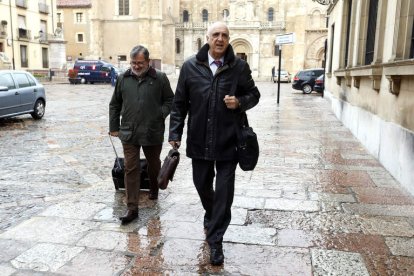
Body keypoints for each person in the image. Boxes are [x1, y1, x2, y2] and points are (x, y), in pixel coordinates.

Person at [168, 22, 260, 265]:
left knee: (224, 192)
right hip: (198, 139)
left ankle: (216, 240)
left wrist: (239, 102)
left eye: (225, 35)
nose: (220, 39)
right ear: (207, 38)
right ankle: (213, 215)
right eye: (216, 35)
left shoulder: (238, 67)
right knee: (201, 184)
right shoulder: (190, 66)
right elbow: (179, 104)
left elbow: (254, 95)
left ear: (229, 39)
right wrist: (175, 132)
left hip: (229, 140)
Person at [109, 45, 174, 224]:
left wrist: (160, 113)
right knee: (131, 168)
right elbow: (114, 104)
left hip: (153, 130)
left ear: (147, 61)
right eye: (133, 63)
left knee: (154, 164)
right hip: (129, 131)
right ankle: (132, 208)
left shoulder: (159, 78)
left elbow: (170, 100)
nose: (136, 66)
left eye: (140, 63)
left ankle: (154, 188)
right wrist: (114, 126)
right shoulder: (123, 78)